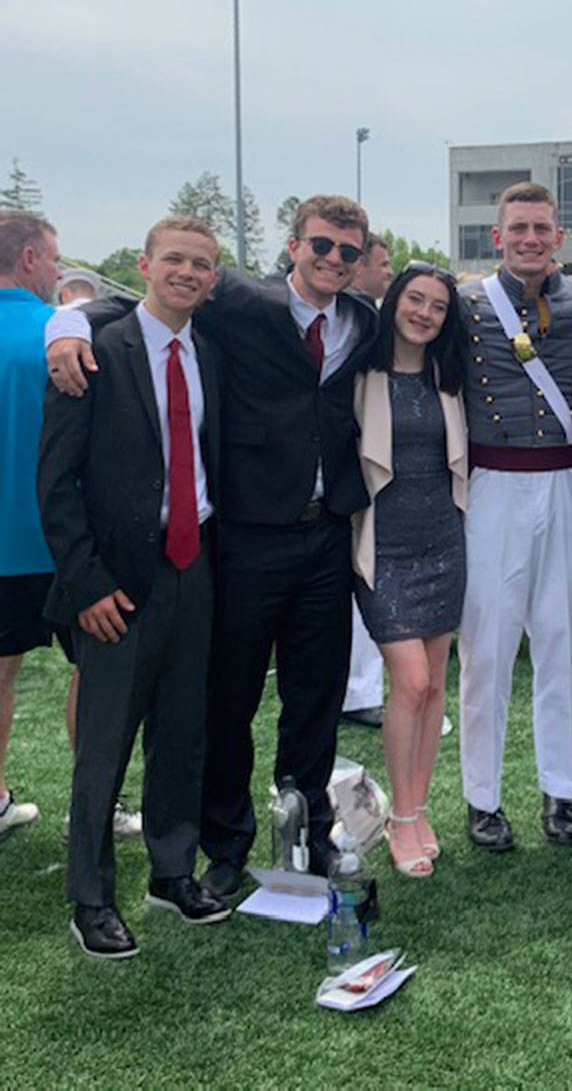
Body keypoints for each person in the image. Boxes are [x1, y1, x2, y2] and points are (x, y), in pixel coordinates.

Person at [46, 194, 379, 897]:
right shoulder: (239, 299)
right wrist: (65, 322)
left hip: (326, 534)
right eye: (321, 245)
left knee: (314, 696)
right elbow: (139, 304)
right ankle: (227, 845)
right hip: (246, 536)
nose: (333, 261)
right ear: (294, 245)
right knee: (227, 699)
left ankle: (309, 831)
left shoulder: (361, 320)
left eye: (349, 252)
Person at [39, 216, 229, 957]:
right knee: (104, 744)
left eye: (202, 264)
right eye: (175, 260)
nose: (187, 272)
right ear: (146, 265)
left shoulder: (209, 351)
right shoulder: (92, 351)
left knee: (182, 735)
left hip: (194, 565)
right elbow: (55, 482)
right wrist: (84, 583)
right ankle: (90, 896)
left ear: (214, 279)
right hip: (114, 579)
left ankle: (171, 872)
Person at [456, 182, 572, 851]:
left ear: (558, 236)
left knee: (561, 642)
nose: (531, 238)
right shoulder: (464, 306)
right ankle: (482, 798)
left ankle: (560, 792)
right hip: (493, 486)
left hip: (565, 484)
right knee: (485, 647)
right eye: (519, 228)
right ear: (498, 236)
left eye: (542, 227)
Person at [352, 262, 467, 877]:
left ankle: (418, 809)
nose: (424, 313)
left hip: (444, 541)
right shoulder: (359, 372)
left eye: (438, 306)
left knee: (435, 687)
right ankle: (399, 818)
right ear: (394, 301)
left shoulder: (450, 377)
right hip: (384, 547)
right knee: (413, 682)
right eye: (414, 300)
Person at [0, 210, 63, 840]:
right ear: (28, 260)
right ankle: (97, 802)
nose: (56, 270)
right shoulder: (56, 332)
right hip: (61, 539)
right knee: (95, 678)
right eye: (53, 258)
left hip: (5, 543)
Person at [341, 233, 395, 730]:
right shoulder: (364, 322)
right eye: (380, 263)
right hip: (350, 482)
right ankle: (356, 693)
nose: (386, 272)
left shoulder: (370, 322)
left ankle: (358, 689)